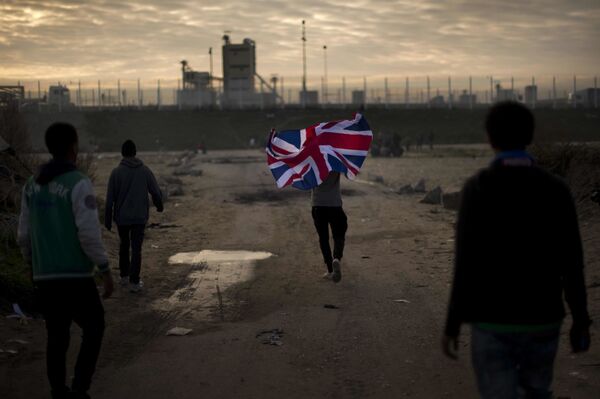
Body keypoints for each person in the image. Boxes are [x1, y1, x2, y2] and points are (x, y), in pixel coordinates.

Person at [442, 102, 591, 398]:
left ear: (489, 138)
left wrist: (453, 323)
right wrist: (581, 321)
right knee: (537, 391)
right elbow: (572, 262)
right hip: (543, 318)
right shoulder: (557, 189)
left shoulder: (477, 188)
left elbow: (466, 264)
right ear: (530, 135)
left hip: (491, 320)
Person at [17, 122, 113, 399]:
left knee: (56, 336)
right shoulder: (78, 182)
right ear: (73, 147)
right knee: (94, 327)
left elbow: (23, 234)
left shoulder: (31, 185)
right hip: (76, 276)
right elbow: (88, 233)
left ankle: (58, 391)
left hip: (45, 276)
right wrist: (104, 269)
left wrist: (31, 265)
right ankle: (80, 388)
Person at [105, 139, 163, 293]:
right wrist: (159, 205)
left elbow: (110, 198)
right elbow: (155, 191)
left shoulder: (116, 173)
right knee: (136, 248)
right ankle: (134, 282)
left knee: (124, 245)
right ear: (135, 153)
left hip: (122, 218)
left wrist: (107, 219)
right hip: (139, 217)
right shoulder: (145, 171)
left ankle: (124, 276)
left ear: (122, 154)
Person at [312, 171, 347, 283]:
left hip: (318, 204)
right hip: (335, 204)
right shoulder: (335, 159)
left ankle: (330, 270)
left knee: (323, 238)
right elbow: (347, 171)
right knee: (339, 234)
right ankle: (336, 257)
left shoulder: (311, 160)